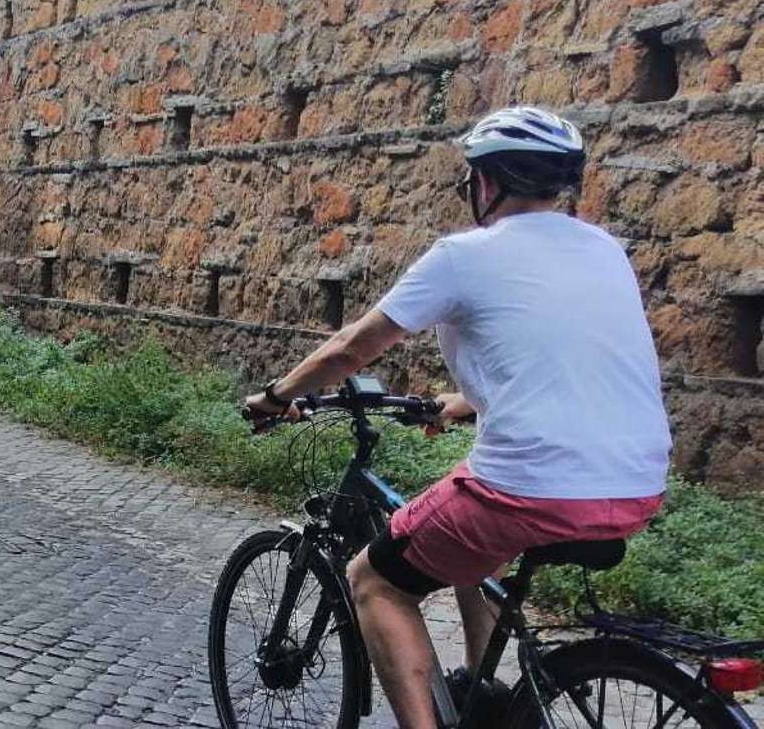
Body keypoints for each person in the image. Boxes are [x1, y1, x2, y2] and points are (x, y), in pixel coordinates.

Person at [243, 105, 670, 729]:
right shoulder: (605, 251)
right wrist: (464, 403)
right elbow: (567, 358)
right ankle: (482, 686)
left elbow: (351, 350)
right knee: (478, 537)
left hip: (531, 490)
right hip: (634, 487)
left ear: (487, 181)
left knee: (375, 581)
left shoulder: (464, 256)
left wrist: (277, 395)